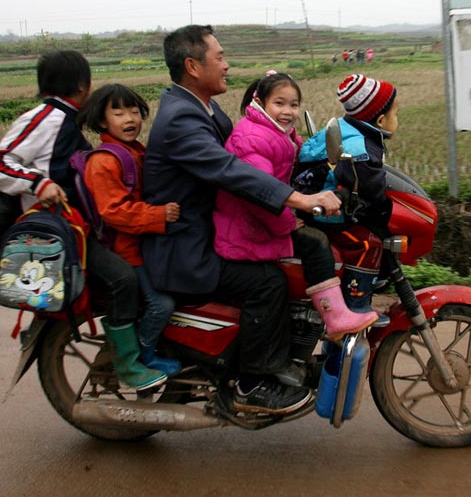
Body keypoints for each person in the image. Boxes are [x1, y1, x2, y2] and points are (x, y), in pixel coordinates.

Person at [142, 25, 341, 416]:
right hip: (187, 245)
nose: (227, 64)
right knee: (267, 281)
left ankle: (282, 357)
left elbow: (256, 153)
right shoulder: (182, 118)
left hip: (212, 227)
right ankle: (252, 384)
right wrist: (296, 198)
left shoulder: (203, 107)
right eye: (219, 57)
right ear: (192, 66)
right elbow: (229, 169)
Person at [0, 50, 166, 392]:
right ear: (83, 83)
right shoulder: (47, 117)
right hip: (61, 227)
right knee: (122, 279)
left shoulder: (65, 118)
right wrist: (39, 183)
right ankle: (127, 364)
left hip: (80, 227)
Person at [213, 71, 378, 343]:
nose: (288, 111)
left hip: (267, 216)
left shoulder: (278, 134)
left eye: (293, 104)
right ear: (260, 102)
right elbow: (260, 193)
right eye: (279, 103)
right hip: (249, 225)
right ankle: (335, 317)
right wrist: (289, 222)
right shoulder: (252, 138)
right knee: (316, 243)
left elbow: (290, 169)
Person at [78, 83, 183, 376]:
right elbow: (114, 211)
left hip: (141, 245)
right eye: (118, 112)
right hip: (125, 250)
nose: (129, 119)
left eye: (134, 111)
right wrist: (158, 215)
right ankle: (140, 357)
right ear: (101, 120)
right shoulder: (104, 160)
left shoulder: (135, 151)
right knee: (161, 304)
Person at [299, 74, 400, 325]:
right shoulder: (360, 148)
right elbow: (371, 189)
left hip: (319, 203)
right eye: (396, 113)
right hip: (328, 213)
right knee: (368, 244)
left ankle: (372, 278)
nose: (398, 119)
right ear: (379, 119)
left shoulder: (349, 128)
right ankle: (356, 305)